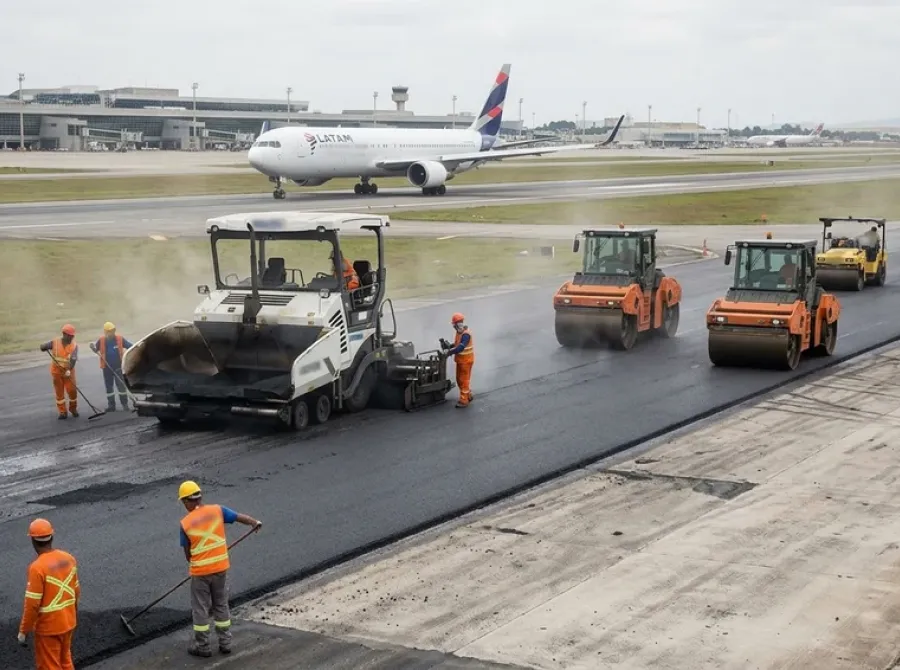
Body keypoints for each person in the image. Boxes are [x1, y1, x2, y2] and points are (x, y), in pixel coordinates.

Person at [178, 480, 262, 657]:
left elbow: (188, 555)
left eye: (183, 502)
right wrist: (254, 523)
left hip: (200, 573)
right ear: (200, 497)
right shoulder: (218, 510)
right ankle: (225, 643)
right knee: (221, 604)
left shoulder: (185, 523)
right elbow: (239, 517)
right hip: (220, 569)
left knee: (200, 608)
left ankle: (203, 647)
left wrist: (198, 564)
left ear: (187, 501)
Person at [18, 518, 80, 670]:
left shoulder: (37, 568)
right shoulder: (68, 558)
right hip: (68, 621)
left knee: (49, 666)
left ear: (33, 540)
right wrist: (72, 613)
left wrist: (23, 631)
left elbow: (32, 605)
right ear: (51, 537)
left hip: (49, 628)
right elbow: (76, 591)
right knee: (65, 661)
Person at [90, 322, 133, 412]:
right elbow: (96, 349)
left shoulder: (120, 339)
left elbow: (130, 346)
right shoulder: (101, 340)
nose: (111, 333)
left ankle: (124, 404)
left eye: (113, 331)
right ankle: (111, 406)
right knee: (109, 387)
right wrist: (93, 347)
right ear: (105, 332)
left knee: (121, 386)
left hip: (118, 367)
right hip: (107, 368)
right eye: (109, 331)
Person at [39, 324, 79, 420]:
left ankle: (73, 409)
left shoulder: (74, 346)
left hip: (68, 372)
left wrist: (68, 370)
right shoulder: (55, 343)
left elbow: (73, 360)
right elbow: (43, 347)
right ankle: (62, 412)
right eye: (70, 335)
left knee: (72, 391)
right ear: (64, 334)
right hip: (56, 372)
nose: (71, 337)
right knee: (59, 392)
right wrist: (43, 346)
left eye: (72, 336)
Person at [441, 313, 474, 408]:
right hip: (460, 361)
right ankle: (468, 395)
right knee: (459, 380)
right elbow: (457, 344)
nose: (454, 327)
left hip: (466, 361)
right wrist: (450, 346)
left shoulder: (466, 335)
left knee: (464, 380)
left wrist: (450, 352)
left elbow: (461, 347)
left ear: (458, 324)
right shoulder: (459, 333)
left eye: (454, 324)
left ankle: (464, 400)